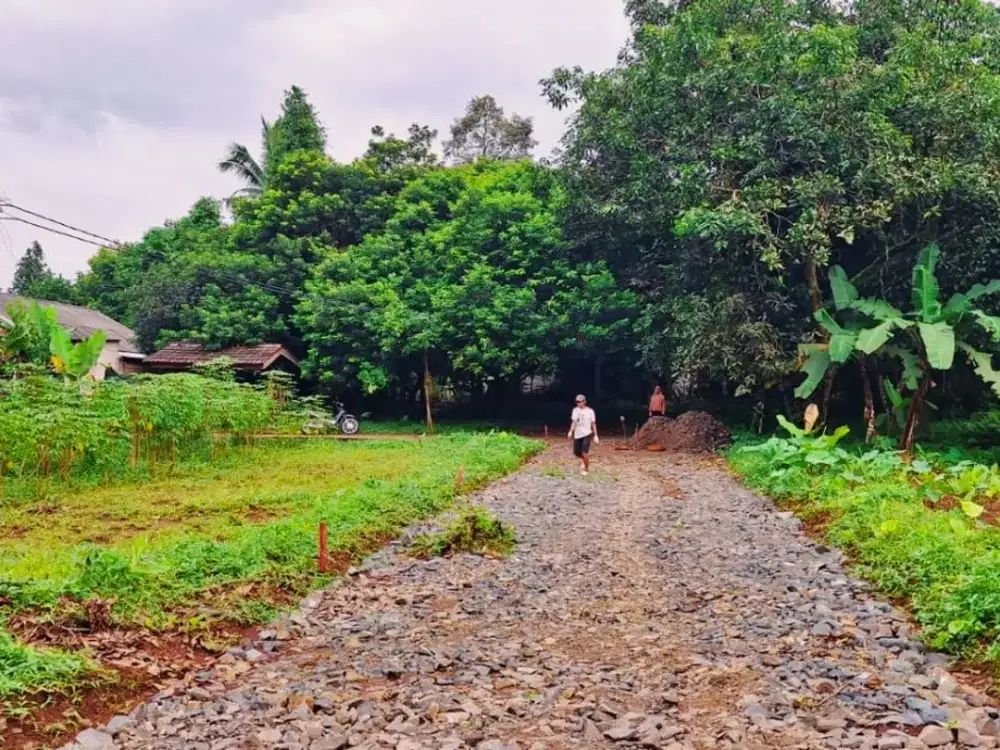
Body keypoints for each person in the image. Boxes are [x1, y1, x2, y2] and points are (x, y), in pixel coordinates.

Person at [568, 394, 599, 476]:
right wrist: (571, 431)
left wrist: (596, 435)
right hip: (578, 434)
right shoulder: (575, 410)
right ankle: (585, 460)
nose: (579, 403)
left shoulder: (590, 411)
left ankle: (586, 469)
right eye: (577, 402)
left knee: (584, 452)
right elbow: (574, 422)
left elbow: (593, 423)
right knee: (576, 453)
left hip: (587, 433)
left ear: (584, 401)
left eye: (581, 401)